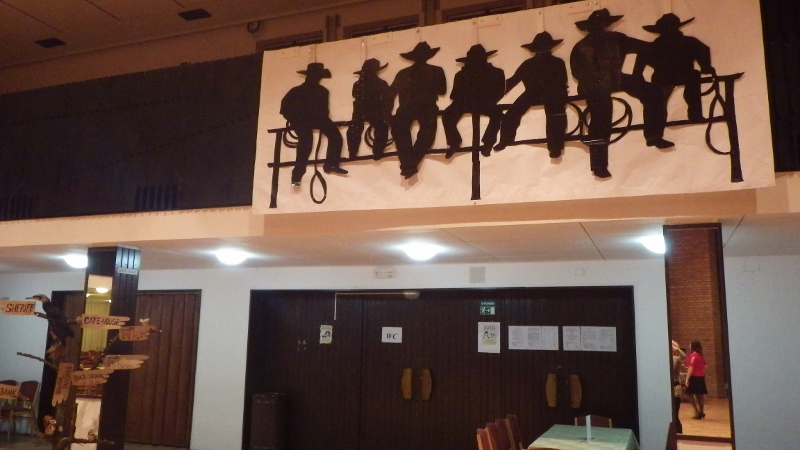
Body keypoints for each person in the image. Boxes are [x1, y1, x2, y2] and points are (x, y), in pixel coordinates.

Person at [570, 8, 672, 179]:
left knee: (601, 120)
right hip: (606, 82)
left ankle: (600, 165)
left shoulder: (582, 45)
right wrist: (637, 72)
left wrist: (636, 73)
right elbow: (645, 48)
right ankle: (653, 135)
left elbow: (576, 71)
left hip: (600, 83)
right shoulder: (614, 39)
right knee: (603, 118)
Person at [494, 31, 568, 158]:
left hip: (547, 93)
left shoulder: (538, 63)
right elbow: (512, 81)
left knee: (555, 115)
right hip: (535, 93)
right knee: (513, 113)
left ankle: (554, 148)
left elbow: (512, 81)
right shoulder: (551, 62)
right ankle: (506, 140)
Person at [636, 13, 716, 122]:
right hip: (674, 75)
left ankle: (657, 121)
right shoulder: (688, 41)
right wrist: (705, 66)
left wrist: (638, 75)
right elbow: (704, 50)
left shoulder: (657, 45)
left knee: (658, 98)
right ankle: (694, 114)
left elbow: (642, 57)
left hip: (664, 77)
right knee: (692, 77)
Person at [280, 62, 347, 188]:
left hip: (316, 119)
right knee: (306, 143)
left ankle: (331, 164)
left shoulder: (321, 91)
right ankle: (297, 176)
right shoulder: (298, 91)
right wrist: (295, 119)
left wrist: (321, 120)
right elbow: (284, 108)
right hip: (302, 120)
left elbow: (324, 111)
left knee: (335, 137)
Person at [391, 41, 447, 179]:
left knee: (400, 132)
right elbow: (442, 90)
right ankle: (409, 165)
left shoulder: (403, 73)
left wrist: (387, 113)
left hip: (406, 107)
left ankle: (408, 166)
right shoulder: (436, 70)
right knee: (427, 134)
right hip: (426, 106)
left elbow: (390, 93)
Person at [442, 44, 505, 158]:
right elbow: (499, 92)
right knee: (497, 115)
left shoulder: (461, 74)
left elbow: (454, 95)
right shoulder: (497, 72)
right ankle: (487, 143)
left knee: (447, 115)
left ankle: (458, 142)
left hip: (469, 103)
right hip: (478, 102)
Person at [346, 58, 394, 160]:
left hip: (362, 109)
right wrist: (386, 113)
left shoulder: (358, 84)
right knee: (381, 127)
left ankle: (353, 151)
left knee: (355, 128)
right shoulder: (380, 83)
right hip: (373, 110)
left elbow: (355, 94)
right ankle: (377, 152)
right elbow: (387, 99)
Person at [684, 340, 707, 419]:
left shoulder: (693, 355)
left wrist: (687, 378)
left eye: (690, 344)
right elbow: (705, 366)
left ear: (693, 346)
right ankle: (701, 412)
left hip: (694, 377)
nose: (689, 346)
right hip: (700, 377)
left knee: (689, 393)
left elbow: (691, 367)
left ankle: (696, 411)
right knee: (700, 395)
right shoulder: (701, 355)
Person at [671, 340, 687, 433]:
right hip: (670, 389)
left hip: (675, 389)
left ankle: (678, 433)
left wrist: (675, 347)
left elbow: (683, 356)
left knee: (674, 414)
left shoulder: (675, 359)